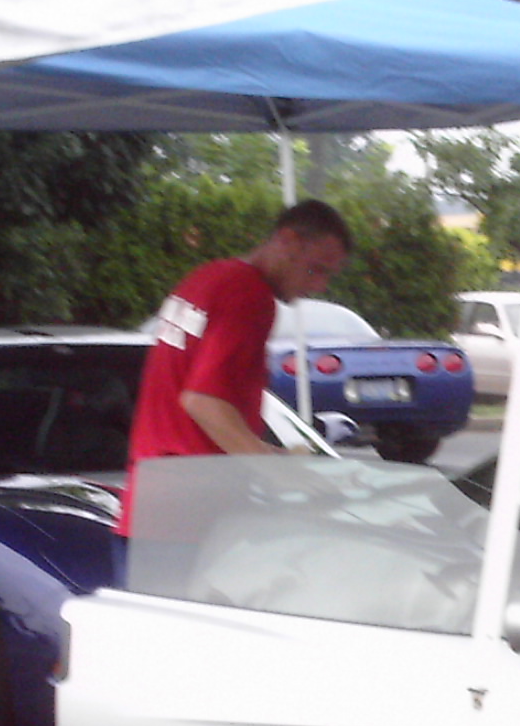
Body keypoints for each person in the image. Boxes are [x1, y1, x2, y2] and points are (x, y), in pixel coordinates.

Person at [118, 199, 354, 535]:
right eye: (316, 269)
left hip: (149, 506)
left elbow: (190, 409)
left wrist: (269, 453)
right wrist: (281, 474)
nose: (319, 287)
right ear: (286, 240)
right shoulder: (249, 295)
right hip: (191, 513)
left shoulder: (206, 278)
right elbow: (202, 402)